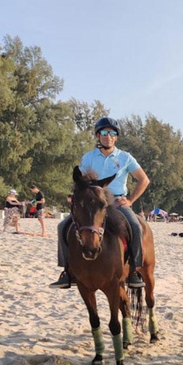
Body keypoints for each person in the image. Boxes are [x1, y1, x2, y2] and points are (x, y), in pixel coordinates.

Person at [50, 117, 150, 289]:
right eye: (104, 132)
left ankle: (133, 271)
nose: (107, 136)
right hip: (94, 204)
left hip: (117, 203)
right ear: (98, 135)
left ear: (116, 137)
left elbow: (144, 180)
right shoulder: (88, 157)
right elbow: (80, 182)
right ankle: (67, 272)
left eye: (112, 133)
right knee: (62, 227)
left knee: (135, 226)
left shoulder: (125, 157)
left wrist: (130, 200)